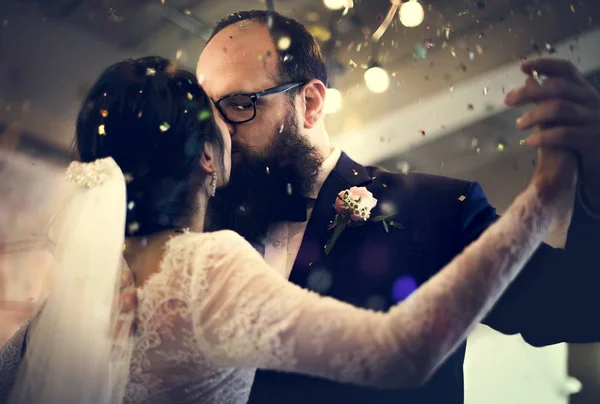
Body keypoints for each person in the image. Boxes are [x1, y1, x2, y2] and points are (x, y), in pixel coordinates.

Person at [0, 56, 578, 404]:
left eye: (241, 103)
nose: (228, 122)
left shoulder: (79, 298)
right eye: (216, 111)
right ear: (206, 156)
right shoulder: (205, 262)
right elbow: (402, 351)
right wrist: (542, 200)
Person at [195, 10, 600, 404]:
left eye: (238, 104)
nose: (218, 134)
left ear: (312, 103)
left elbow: (577, 306)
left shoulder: (435, 209)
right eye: (206, 115)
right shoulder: (198, 242)